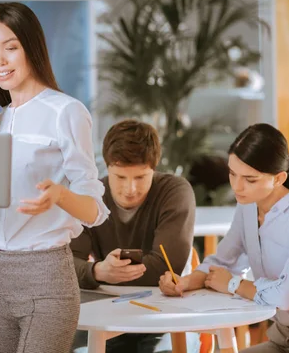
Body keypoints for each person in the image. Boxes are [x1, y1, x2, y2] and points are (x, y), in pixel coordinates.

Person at [0, 2, 109, 353]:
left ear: (31, 47)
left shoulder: (66, 111)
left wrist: (59, 196)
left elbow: (95, 208)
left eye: (10, 48)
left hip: (47, 275)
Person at [159, 123, 289, 353]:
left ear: (279, 178)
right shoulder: (248, 207)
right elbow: (223, 262)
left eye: (250, 179)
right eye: (233, 174)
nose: (237, 187)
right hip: (281, 338)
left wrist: (234, 284)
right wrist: (185, 282)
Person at [71, 119, 196, 353]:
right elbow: (65, 267)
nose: (130, 189)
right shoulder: (90, 198)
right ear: (106, 168)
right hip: (107, 310)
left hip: (164, 311)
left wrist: (94, 274)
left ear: (154, 169)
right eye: (120, 177)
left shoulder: (175, 191)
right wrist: (98, 271)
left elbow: (165, 267)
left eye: (140, 177)